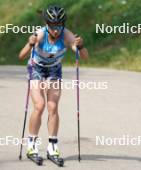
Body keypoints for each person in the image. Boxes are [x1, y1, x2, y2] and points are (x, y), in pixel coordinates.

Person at [19, 5, 89, 159]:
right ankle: (32, 146)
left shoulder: (67, 35)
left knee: (53, 107)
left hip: (54, 71)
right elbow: (21, 56)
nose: (55, 30)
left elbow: (85, 57)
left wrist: (80, 45)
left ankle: (52, 147)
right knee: (39, 105)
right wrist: (30, 43)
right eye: (52, 26)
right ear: (46, 24)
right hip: (36, 69)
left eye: (58, 25)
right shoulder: (39, 35)